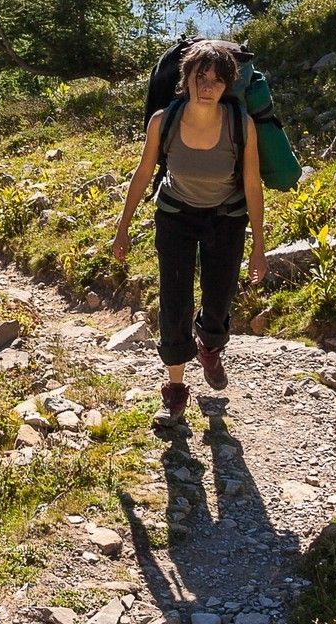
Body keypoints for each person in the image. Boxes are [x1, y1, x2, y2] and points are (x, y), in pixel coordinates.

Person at [112, 38, 267, 428]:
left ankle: (210, 346)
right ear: (187, 79)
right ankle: (175, 391)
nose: (208, 86)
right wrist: (123, 225)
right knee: (174, 300)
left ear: (228, 84)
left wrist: (260, 247)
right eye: (201, 77)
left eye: (217, 80)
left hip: (226, 218)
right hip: (175, 215)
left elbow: (252, 186)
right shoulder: (164, 120)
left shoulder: (240, 124)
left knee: (218, 301)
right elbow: (144, 172)